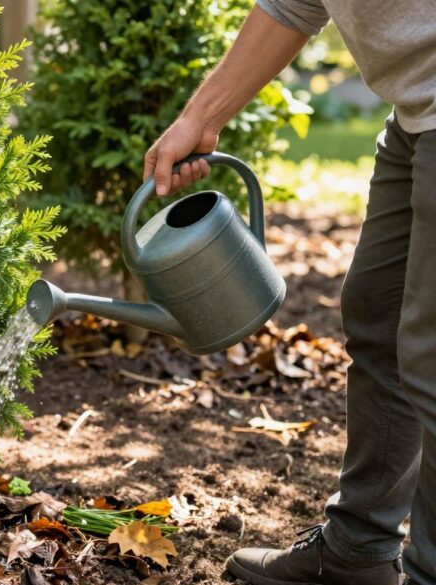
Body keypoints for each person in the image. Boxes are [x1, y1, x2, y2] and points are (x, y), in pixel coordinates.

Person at [144, 2, 436, 584]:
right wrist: (199, 118)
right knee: (377, 320)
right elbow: (294, 3)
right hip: (416, 115)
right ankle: (359, 548)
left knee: (433, 353)